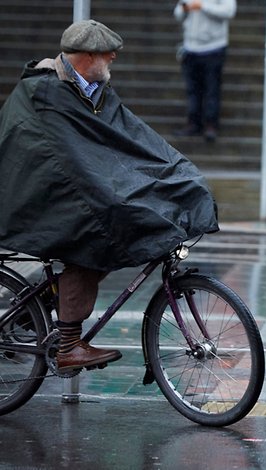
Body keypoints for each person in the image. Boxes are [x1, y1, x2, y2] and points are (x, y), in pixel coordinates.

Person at [0, 20, 219, 371]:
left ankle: (35, 312)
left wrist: (180, 173)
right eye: (107, 52)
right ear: (88, 55)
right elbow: (67, 159)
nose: (114, 56)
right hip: (39, 193)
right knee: (92, 239)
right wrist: (112, 193)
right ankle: (68, 347)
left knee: (111, 234)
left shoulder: (97, 91)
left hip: (72, 188)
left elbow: (133, 139)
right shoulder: (46, 92)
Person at [173, 0, 237, 142]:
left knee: (212, 88)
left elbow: (229, 11)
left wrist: (203, 6)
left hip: (214, 46)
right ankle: (193, 122)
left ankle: (211, 124)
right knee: (192, 89)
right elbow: (178, 13)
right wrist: (185, 9)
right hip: (190, 46)